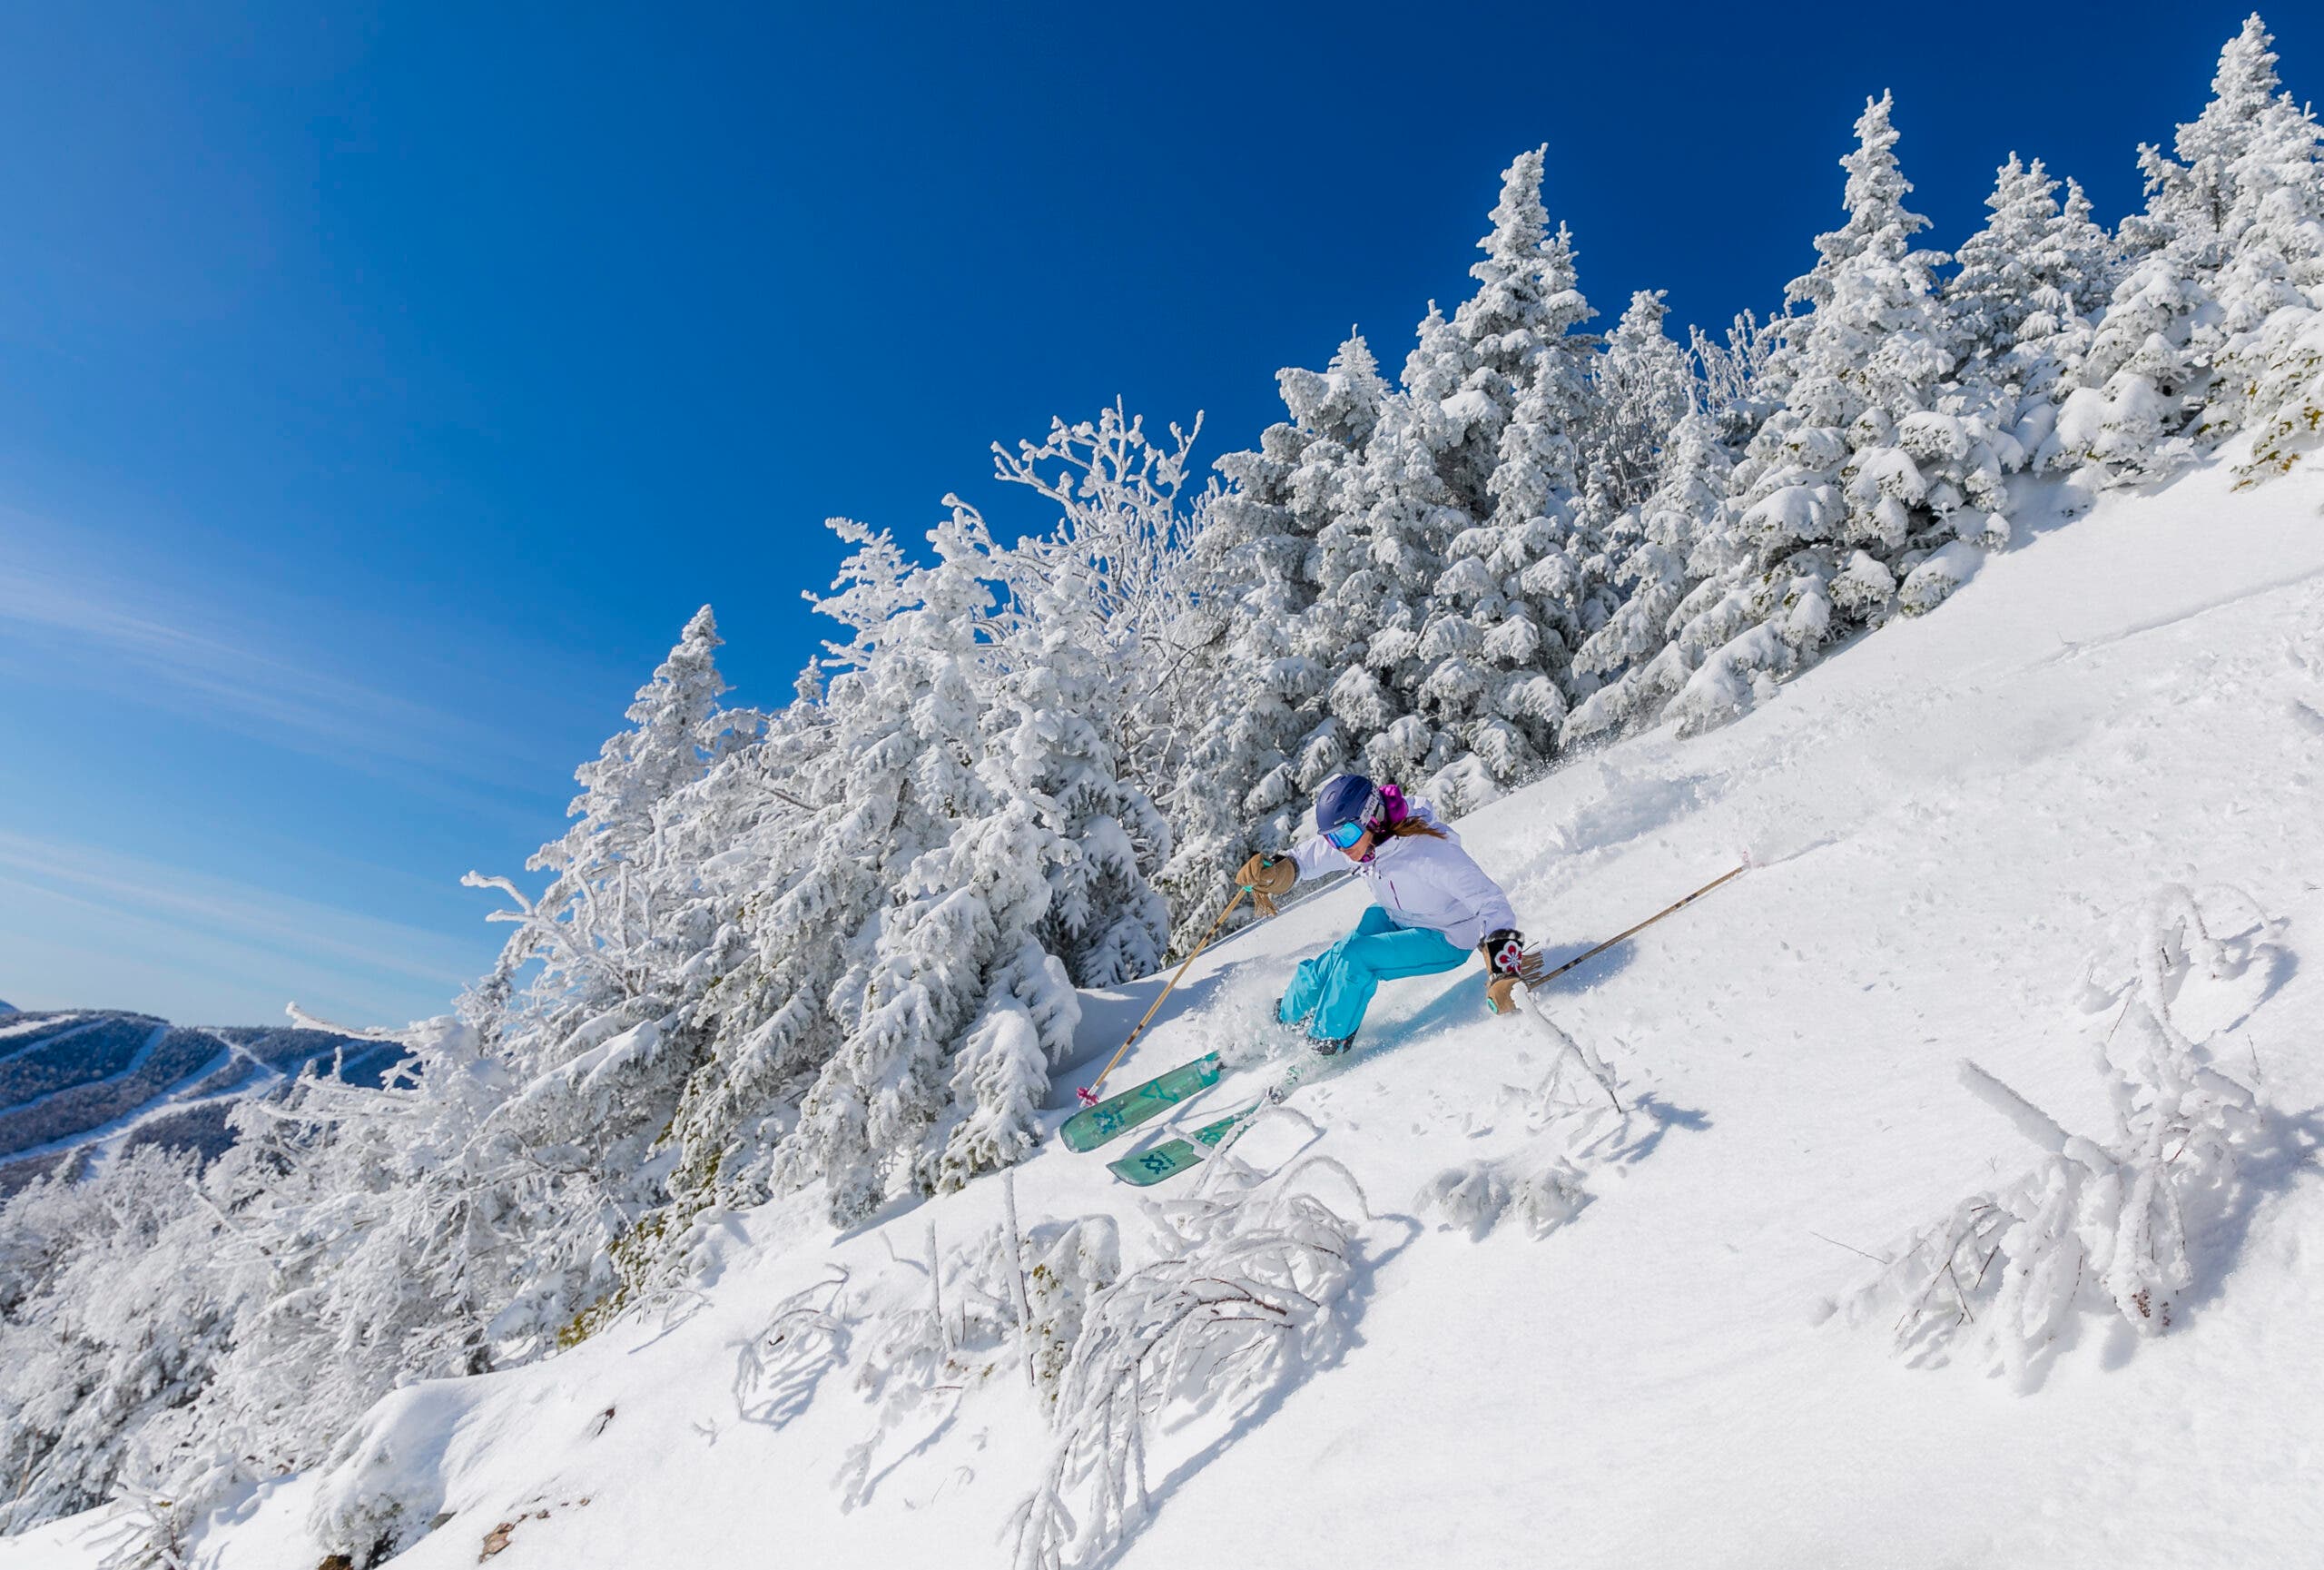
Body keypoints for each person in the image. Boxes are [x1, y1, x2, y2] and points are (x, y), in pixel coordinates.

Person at [1236, 773, 1529, 1055]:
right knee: (1340, 954)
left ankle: (1327, 1041)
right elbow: (1309, 857)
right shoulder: (1360, 840)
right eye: (1332, 839)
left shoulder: (1430, 853)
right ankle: (1287, 1014)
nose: (1341, 847)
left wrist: (1503, 971)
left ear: (1373, 817)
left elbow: (1490, 901)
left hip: (1446, 935)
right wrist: (1280, 869)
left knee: (1357, 960)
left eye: (1346, 835)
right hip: (1400, 916)